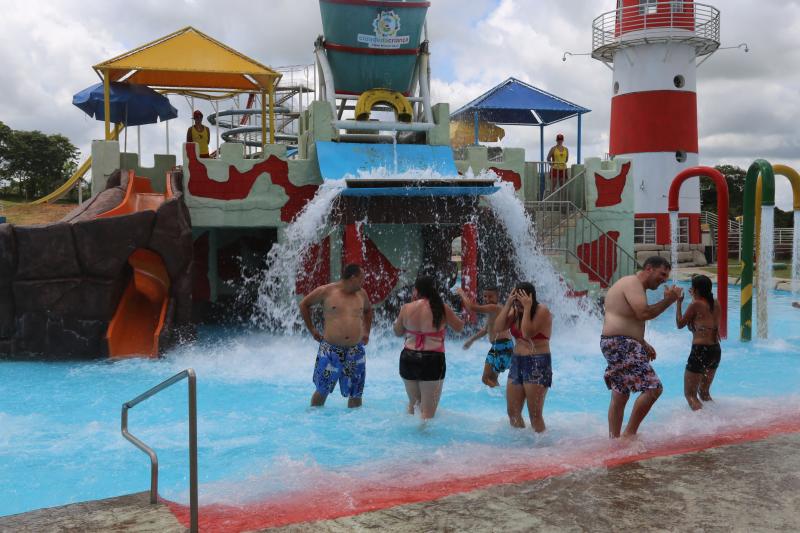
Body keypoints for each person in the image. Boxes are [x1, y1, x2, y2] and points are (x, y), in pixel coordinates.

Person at [601, 256, 682, 438]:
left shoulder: (632, 285)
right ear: (648, 269)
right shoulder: (632, 283)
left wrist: (641, 342)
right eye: (662, 274)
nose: (664, 280)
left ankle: (613, 440)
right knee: (653, 388)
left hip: (616, 342)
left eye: (666, 276)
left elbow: (625, 317)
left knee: (620, 393)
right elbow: (643, 313)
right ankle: (629, 435)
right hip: (621, 343)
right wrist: (669, 301)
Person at [299, 264, 373, 408]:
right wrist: (312, 329)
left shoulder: (361, 294)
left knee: (356, 393)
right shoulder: (326, 291)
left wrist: (366, 332)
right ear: (352, 278)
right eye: (361, 278)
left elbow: (368, 311)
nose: (364, 281)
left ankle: (354, 426)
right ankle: (314, 421)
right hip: (331, 350)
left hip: (355, 351)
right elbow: (304, 304)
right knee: (322, 390)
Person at [393, 276, 464, 419]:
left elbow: (397, 332)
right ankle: (424, 440)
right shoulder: (441, 308)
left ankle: (408, 440)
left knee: (413, 406)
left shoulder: (406, 308)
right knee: (427, 414)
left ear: (416, 290)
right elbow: (459, 327)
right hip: (432, 360)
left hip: (408, 358)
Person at [494, 282, 552, 433]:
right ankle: (521, 446)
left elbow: (526, 334)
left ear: (529, 299)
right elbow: (498, 327)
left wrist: (526, 308)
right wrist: (508, 304)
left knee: (535, 414)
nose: (517, 304)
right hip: (517, 362)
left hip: (537, 363)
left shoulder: (542, 311)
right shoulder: (515, 311)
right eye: (515, 300)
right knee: (512, 412)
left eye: (521, 300)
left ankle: (543, 449)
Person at [676, 275, 721, 410]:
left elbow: (680, 324)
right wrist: (695, 297)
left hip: (701, 350)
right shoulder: (716, 303)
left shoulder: (696, 304)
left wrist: (679, 303)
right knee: (704, 393)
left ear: (695, 289)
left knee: (690, 395)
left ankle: (704, 423)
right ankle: (716, 418)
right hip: (715, 350)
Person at [456, 286, 514, 387]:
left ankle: (505, 397)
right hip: (503, 345)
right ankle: (501, 398)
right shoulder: (494, 310)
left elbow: (471, 307)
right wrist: (471, 341)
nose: (487, 299)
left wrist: (461, 293)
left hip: (501, 346)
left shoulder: (494, 307)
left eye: (490, 296)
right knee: (492, 379)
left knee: (486, 379)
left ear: (497, 296)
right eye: (485, 296)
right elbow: (486, 330)